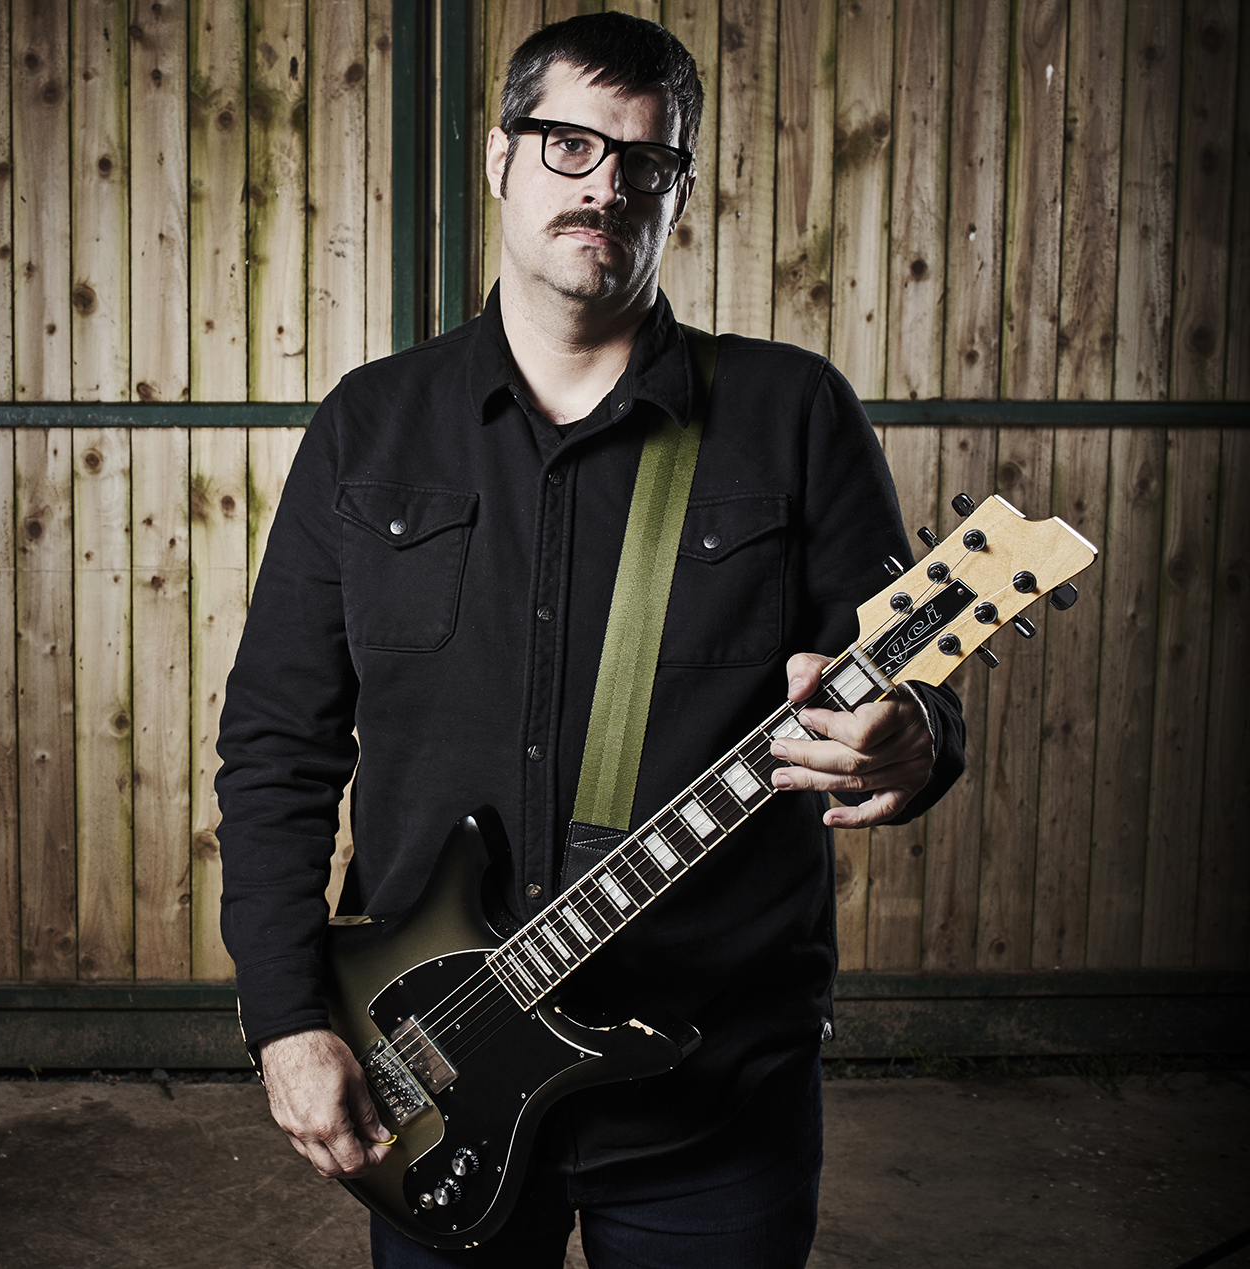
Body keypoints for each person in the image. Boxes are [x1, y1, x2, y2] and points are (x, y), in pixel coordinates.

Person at [217, 12, 964, 1268]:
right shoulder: (370, 427)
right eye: (568, 144)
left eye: (645, 162)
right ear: (501, 159)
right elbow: (276, 744)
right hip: (432, 1066)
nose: (603, 186)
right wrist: (286, 1021)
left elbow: (902, 690)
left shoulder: (790, 414)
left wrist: (907, 743)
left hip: (712, 1088)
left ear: (676, 191)